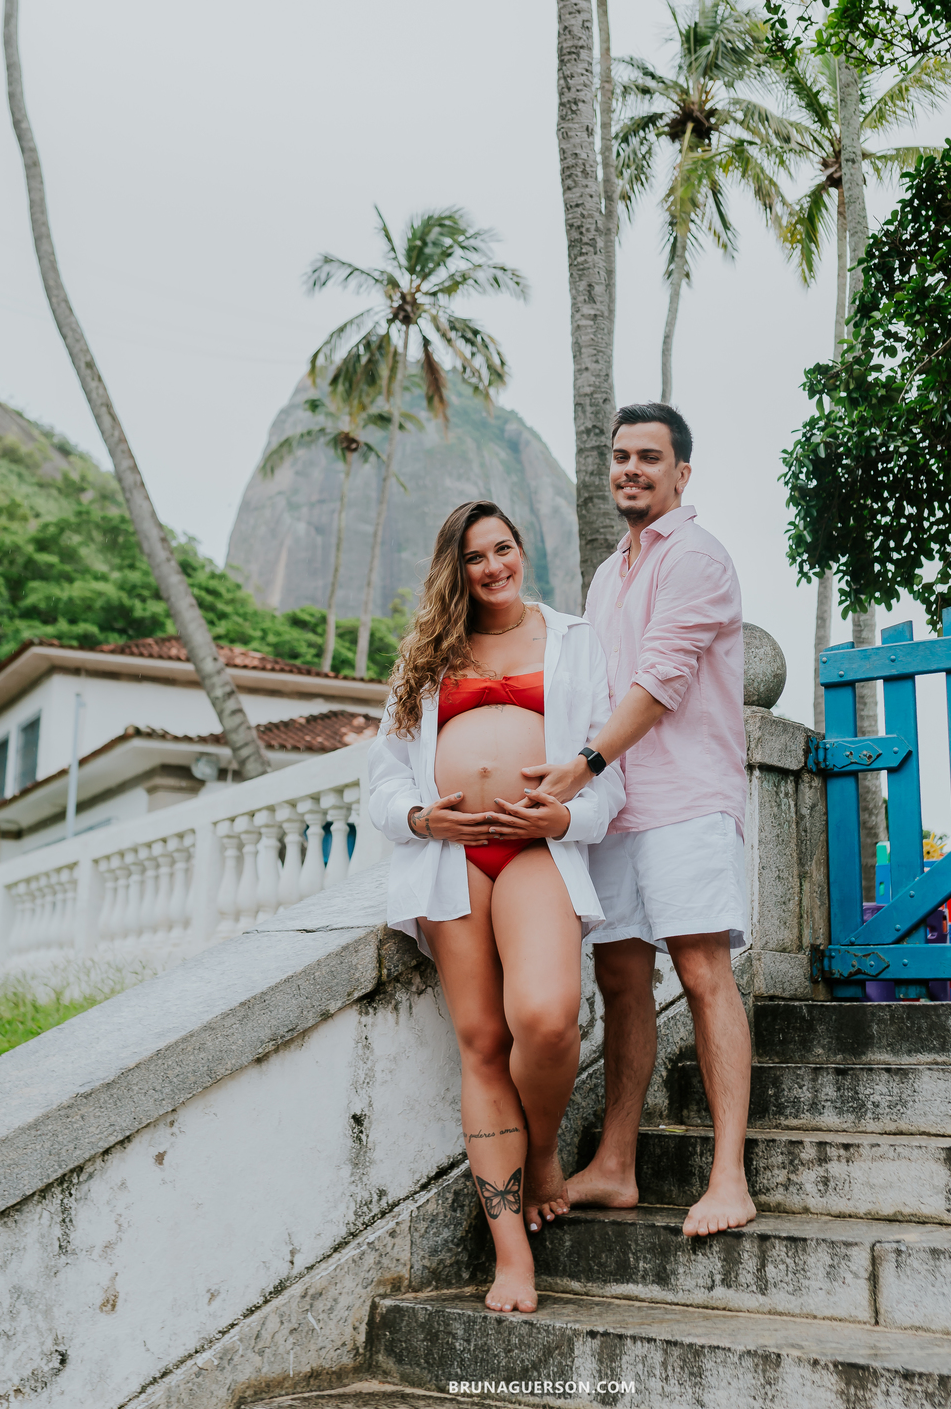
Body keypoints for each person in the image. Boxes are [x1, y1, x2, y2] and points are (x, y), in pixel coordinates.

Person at [367, 500, 623, 1314]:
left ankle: (543, 1151)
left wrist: (566, 817)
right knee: (481, 1042)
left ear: (522, 551)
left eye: (502, 549)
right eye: (473, 557)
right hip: (450, 858)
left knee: (547, 1019)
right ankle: (511, 1255)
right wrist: (419, 818)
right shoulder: (426, 659)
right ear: (457, 569)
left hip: (536, 846)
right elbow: (381, 779)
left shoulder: (575, 640)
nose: (492, 567)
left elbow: (608, 774)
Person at [524, 403, 754, 1239]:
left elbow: (658, 683)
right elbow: (590, 689)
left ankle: (728, 1177)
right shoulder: (608, 570)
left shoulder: (696, 557)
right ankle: (615, 1165)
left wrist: (581, 764)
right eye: (620, 456)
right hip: (615, 808)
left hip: (686, 801)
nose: (630, 469)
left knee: (700, 973)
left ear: (680, 473)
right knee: (620, 979)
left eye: (648, 458)